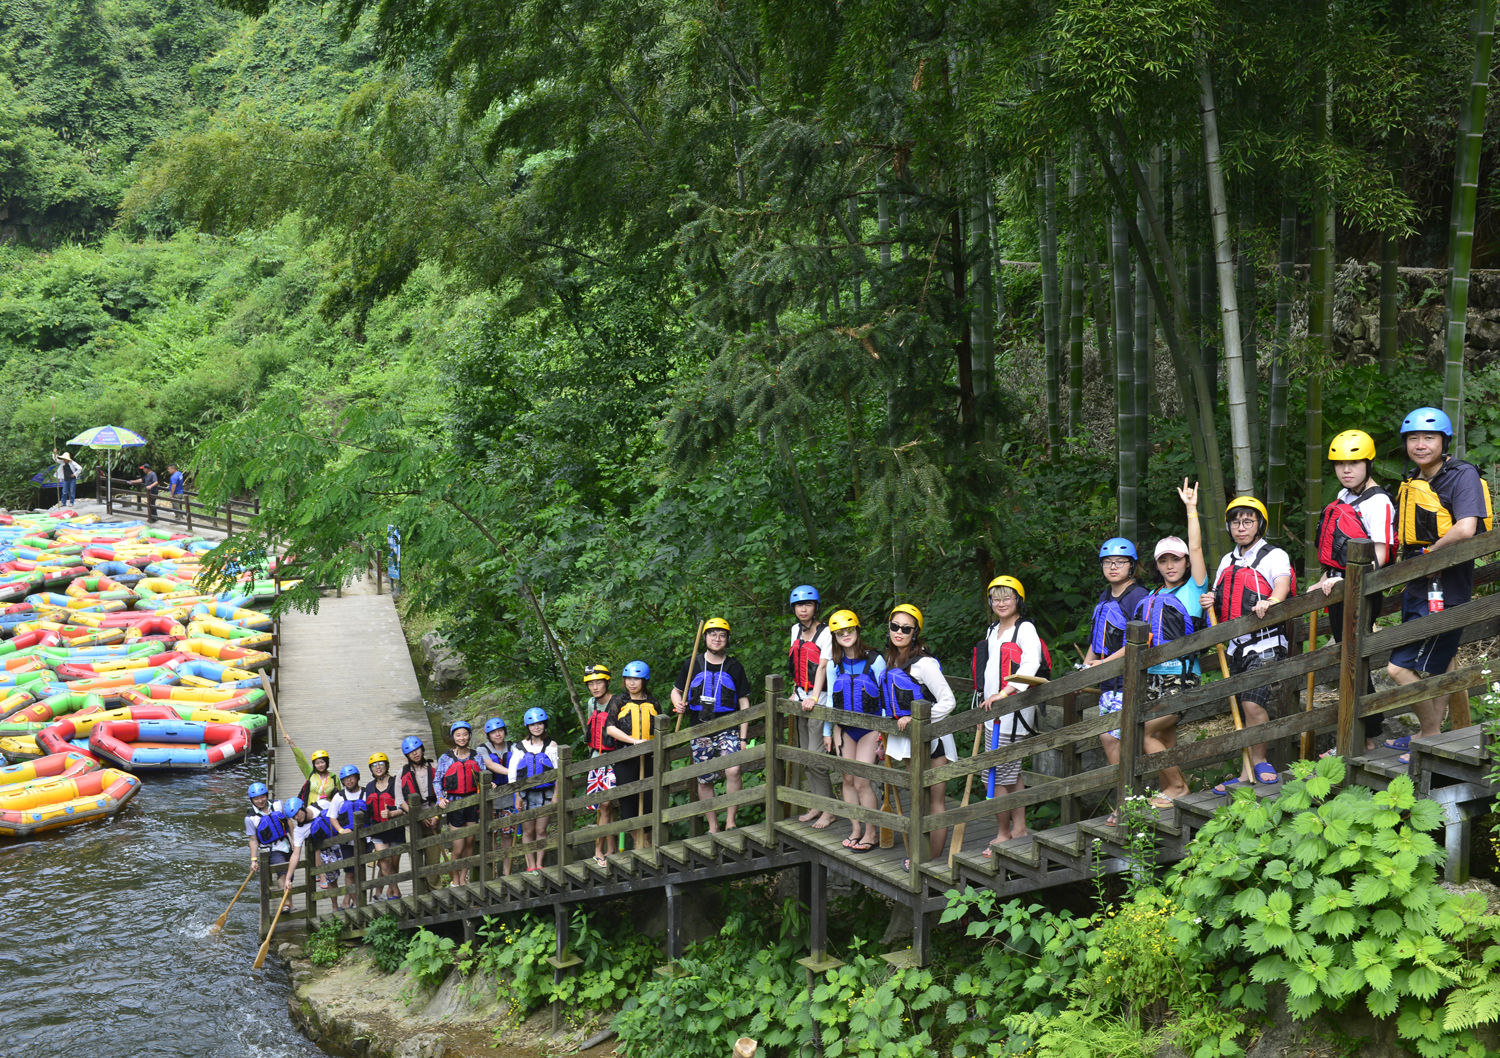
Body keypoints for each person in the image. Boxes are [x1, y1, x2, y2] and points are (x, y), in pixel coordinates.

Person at [1387, 407, 1491, 762]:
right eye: (1413, 438)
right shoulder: (1413, 478)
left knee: (1398, 667)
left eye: (1428, 437)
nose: (1420, 444)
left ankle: (1430, 733)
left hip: (1447, 581)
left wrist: (1431, 552)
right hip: (1418, 580)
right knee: (1441, 661)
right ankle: (1432, 731)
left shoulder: (1460, 475)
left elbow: (1465, 528)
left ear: (1444, 442)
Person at [1201, 497, 1295, 793]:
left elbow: (1282, 583)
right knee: (1242, 707)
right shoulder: (1227, 560)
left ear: (1259, 525)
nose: (1240, 528)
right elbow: (1217, 592)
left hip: (1264, 640)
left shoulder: (1273, 555)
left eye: (1247, 522)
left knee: (1253, 703)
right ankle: (1245, 772)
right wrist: (1208, 599)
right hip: (1234, 646)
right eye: (1235, 522)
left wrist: (1273, 601)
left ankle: (1261, 759)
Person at [1310, 430, 1395, 754]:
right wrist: (1326, 578)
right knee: (1347, 659)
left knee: (1353, 660)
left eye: (1354, 463)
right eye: (1340, 464)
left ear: (1368, 463)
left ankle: (1364, 736)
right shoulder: (1344, 498)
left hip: (1362, 591)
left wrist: (1345, 582)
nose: (1346, 470)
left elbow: (1381, 558)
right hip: (1339, 588)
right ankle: (1362, 735)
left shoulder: (1378, 502)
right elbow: (1337, 548)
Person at [1136, 480, 1211, 805]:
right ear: (1157, 565)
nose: (1170, 566)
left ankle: (1178, 788)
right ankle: (1171, 789)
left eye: (1176, 560)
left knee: (1145, 732)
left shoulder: (1195, 589)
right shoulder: (1152, 596)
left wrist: (1191, 509)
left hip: (1181, 675)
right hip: (1152, 677)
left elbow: (1196, 548)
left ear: (1185, 562)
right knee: (1163, 736)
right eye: (1164, 561)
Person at [881, 604, 956, 866]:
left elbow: (948, 701)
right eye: (895, 626)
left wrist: (918, 720)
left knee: (934, 800)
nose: (899, 632)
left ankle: (930, 858)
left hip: (933, 739)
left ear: (915, 632)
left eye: (906, 628)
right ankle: (920, 853)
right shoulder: (891, 660)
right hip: (908, 741)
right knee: (917, 798)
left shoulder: (925, 664)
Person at [973, 576, 1044, 850]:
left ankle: (1003, 834)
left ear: (1018, 601)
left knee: (998, 775)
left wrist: (1005, 693)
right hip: (993, 712)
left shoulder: (1024, 629)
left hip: (1013, 713)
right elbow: (988, 671)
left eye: (1007, 597)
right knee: (1010, 774)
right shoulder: (993, 630)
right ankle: (1019, 827)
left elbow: (1031, 664)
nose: (1001, 603)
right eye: (996, 598)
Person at [1085, 538, 1151, 818]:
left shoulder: (1138, 596)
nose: (1113, 567)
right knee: (1108, 737)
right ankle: (1126, 800)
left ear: (1132, 566)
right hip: (1107, 683)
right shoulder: (1104, 597)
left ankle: (1129, 802)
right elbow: (1096, 641)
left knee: (1121, 739)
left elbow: (1142, 639)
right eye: (1107, 562)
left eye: (1120, 562)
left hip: (1128, 681)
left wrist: (1102, 665)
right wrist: (1088, 665)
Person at [809, 609, 884, 852]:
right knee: (847, 780)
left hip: (870, 728)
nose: (846, 636)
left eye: (849, 631)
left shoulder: (875, 660)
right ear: (835, 637)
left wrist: (884, 732)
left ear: (857, 631)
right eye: (840, 633)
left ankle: (871, 833)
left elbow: (884, 698)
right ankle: (855, 829)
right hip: (843, 729)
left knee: (862, 781)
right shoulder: (834, 664)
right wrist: (827, 731)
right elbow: (831, 699)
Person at [670, 617, 752, 833]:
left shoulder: (735, 666)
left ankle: (731, 821)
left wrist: (743, 738)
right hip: (700, 729)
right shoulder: (692, 664)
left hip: (728, 728)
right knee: (705, 778)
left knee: (733, 770)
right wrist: (677, 703)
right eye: (713, 634)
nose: (717, 639)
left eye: (722, 635)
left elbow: (744, 702)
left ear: (727, 639)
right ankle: (713, 825)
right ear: (705, 637)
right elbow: (677, 690)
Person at [788, 585, 836, 830]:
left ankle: (829, 809)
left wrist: (814, 697)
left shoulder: (826, 633)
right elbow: (798, 664)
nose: (803, 609)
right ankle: (817, 804)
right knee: (806, 756)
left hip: (821, 699)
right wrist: (795, 692)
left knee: (816, 757)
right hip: (800, 697)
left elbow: (823, 667)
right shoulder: (795, 630)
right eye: (798, 605)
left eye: (807, 604)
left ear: (815, 607)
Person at [605, 660, 660, 851]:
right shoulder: (618, 701)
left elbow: (660, 727)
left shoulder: (653, 702)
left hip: (650, 757)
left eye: (636, 679)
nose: (632, 683)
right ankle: (639, 842)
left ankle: (649, 840)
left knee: (650, 798)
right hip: (625, 757)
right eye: (628, 679)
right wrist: (633, 741)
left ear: (644, 681)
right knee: (628, 799)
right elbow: (610, 728)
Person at [507, 707, 559, 872]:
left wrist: (556, 796)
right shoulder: (519, 747)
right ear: (527, 727)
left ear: (544, 725)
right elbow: (513, 774)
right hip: (525, 794)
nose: (536, 727)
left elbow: (558, 773)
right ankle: (530, 865)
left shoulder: (551, 746)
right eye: (532, 724)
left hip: (546, 793)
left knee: (541, 829)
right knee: (528, 831)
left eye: (539, 724)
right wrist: (517, 796)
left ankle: (539, 863)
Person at [435, 720, 483, 886]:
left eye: (465, 734)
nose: (462, 738)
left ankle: (463, 877)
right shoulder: (446, 758)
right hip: (455, 804)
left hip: (472, 802)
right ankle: (455, 880)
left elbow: (482, 775)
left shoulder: (476, 756)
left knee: (470, 842)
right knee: (458, 847)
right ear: (453, 737)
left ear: (469, 735)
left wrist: (488, 784)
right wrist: (440, 798)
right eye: (458, 735)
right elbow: (437, 781)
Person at [581, 664, 618, 866]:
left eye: (599, 682)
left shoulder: (618, 702)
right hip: (596, 757)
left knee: (607, 803)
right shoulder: (590, 703)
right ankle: (607, 849)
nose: (595, 687)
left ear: (606, 682)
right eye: (591, 684)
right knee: (602, 806)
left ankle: (600, 850)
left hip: (614, 756)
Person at [363, 752, 405, 900]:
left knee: (394, 863)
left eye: (381, 764)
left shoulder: (396, 783)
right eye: (374, 765)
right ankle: (396, 891)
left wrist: (392, 814)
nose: (378, 767)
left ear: (386, 765)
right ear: (371, 769)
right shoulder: (369, 787)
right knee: (384, 862)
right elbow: (367, 810)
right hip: (378, 830)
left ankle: (388, 892)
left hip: (395, 828)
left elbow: (404, 806)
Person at [399, 735, 442, 875]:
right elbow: (399, 800)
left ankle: (434, 889)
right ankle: (420, 891)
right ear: (407, 755)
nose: (415, 753)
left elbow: (442, 793)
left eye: (417, 749)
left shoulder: (434, 767)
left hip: (433, 817)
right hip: (413, 822)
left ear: (422, 750)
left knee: (433, 861)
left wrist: (436, 816)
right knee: (416, 861)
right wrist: (418, 816)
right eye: (411, 752)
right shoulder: (402, 773)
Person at [477, 717, 514, 875]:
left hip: (510, 796)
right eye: (493, 732)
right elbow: (489, 764)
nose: (498, 734)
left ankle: (507, 871)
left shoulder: (514, 746)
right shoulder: (482, 749)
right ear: (489, 735)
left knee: (507, 835)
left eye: (500, 731)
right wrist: (513, 773)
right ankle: (493, 871)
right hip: (491, 798)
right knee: (491, 835)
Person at [327, 765, 367, 909]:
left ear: (357, 777)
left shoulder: (366, 793)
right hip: (347, 841)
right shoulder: (339, 797)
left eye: (351, 777)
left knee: (361, 871)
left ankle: (349, 901)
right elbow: (332, 817)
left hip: (364, 839)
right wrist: (340, 830)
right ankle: (356, 903)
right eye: (345, 779)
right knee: (350, 872)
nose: (349, 781)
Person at [245, 781, 293, 883]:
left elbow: (288, 821)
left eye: (262, 797)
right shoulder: (250, 818)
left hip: (286, 844)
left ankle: (286, 897)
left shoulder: (277, 804)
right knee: (283, 874)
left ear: (266, 795)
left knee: (290, 875)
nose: (260, 801)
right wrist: (254, 860)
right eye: (256, 799)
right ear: (252, 800)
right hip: (271, 850)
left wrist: (293, 840)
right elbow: (253, 840)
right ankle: (286, 897)